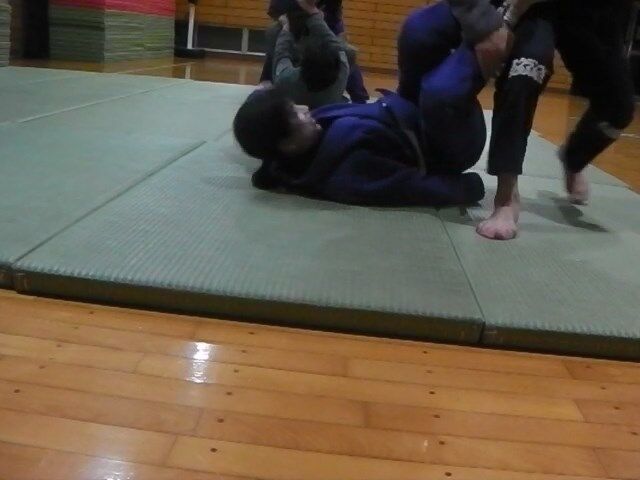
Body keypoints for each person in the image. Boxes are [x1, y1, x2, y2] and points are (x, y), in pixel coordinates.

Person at [233, 2, 491, 207]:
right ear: (287, 145)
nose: (304, 109)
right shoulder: (345, 173)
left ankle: (486, 10)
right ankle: (498, 33)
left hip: (406, 109)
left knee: (415, 30)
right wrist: (468, 188)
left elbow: (264, 134)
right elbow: (410, 187)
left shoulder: (298, 143)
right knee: (439, 90)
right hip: (445, 145)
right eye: (295, 115)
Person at [451, 0, 635, 239]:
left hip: (594, 10)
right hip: (538, 7)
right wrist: (508, 21)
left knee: (619, 108)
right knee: (524, 71)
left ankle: (574, 158)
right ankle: (506, 197)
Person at [261, 0, 370, 104]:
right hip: (294, 23)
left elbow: (336, 15)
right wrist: (288, 24)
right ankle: (267, 82)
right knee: (274, 32)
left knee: (343, 50)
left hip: (322, 25)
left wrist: (316, 16)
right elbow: (275, 11)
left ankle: (359, 96)